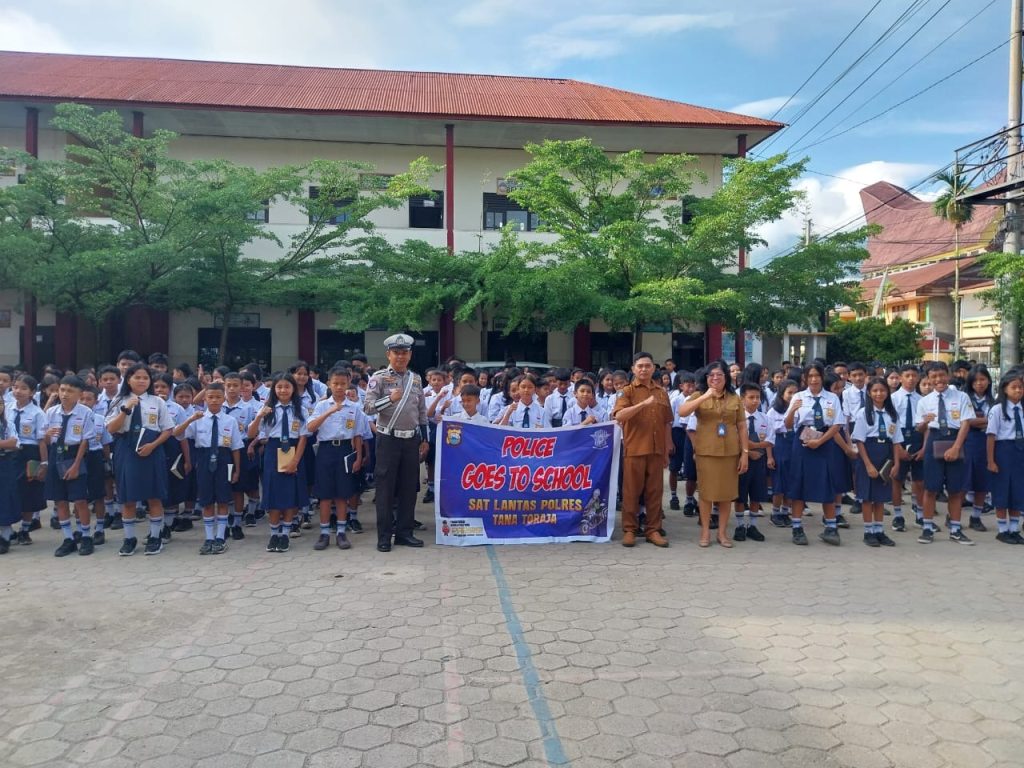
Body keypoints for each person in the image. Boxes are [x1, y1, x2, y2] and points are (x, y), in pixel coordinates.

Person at [363, 334, 429, 553]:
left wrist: (425, 438)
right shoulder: (379, 378)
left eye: (404, 353)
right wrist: (389, 399)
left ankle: (404, 533)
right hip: (388, 439)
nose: (400, 356)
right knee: (385, 489)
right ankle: (384, 536)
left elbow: (421, 411)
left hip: (411, 439)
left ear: (410, 355)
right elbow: (368, 408)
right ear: (388, 354)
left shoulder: (416, 379)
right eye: (396, 352)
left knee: (409, 488)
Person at [105, 364, 176, 556]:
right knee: (127, 497)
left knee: (154, 495)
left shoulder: (157, 402)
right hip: (126, 449)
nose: (142, 380)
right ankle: (129, 539)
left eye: (145, 377)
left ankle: (155, 537)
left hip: (152, 450)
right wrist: (125, 410)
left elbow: (168, 429)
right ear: (128, 380)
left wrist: (153, 446)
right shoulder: (119, 400)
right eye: (137, 377)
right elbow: (111, 429)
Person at [679, 360, 748, 548]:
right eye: (711, 375)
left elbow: (742, 426)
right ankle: (705, 533)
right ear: (706, 378)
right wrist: (704, 397)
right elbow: (682, 412)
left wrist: (745, 453)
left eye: (719, 375)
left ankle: (722, 533)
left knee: (726, 494)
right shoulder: (698, 394)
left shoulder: (735, 398)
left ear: (726, 377)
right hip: (706, 452)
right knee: (707, 494)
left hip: (730, 452)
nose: (715, 378)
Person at [613, 353, 673, 548]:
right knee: (631, 492)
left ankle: (653, 529)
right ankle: (630, 529)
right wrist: (642, 404)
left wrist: (666, 449)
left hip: (656, 450)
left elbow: (666, 422)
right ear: (633, 369)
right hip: (635, 449)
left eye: (647, 366)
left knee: (655, 492)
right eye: (640, 366)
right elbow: (620, 416)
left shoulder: (661, 392)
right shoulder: (627, 391)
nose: (644, 369)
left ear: (653, 369)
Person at [177, 382, 243, 555]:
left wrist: (236, 470)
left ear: (224, 398)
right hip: (204, 459)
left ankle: (220, 537)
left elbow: (236, 447)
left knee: (223, 498)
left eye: (218, 397)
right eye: (210, 397)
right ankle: (208, 538)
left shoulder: (230, 420)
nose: (214, 401)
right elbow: (177, 434)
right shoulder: (197, 419)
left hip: (226, 461)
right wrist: (190, 419)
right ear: (204, 399)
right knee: (206, 500)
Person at [784, 362, 844, 546]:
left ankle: (831, 528)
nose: (813, 379)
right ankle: (797, 528)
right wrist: (793, 410)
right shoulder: (799, 397)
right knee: (799, 484)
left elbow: (837, 424)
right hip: (802, 443)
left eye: (816, 375)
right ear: (804, 379)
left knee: (827, 483)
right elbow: (787, 425)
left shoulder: (832, 398)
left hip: (824, 443)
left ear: (822, 377)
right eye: (809, 376)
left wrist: (820, 440)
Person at [248, 373, 309, 553]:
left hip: (292, 450)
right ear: (274, 389)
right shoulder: (267, 408)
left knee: (290, 495)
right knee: (273, 494)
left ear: (293, 389)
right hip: (273, 452)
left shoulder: (300, 410)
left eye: (287, 387)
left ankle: (285, 534)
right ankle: (274, 533)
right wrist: (260, 415)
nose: (283, 390)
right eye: (279, 387)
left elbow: (303, 438)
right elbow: (252, 434)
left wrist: (295, 461)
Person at [915, 361, 975, 545]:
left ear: (948, 375)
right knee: (930, 488)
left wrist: (957, 447)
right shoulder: (924, 401)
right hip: (934, 440)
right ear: (928, 379)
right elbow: (919, 428)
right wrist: (925, 422)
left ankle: (956, 529)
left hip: (955, 439)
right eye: (933, 377)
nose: (938, 380)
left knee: (955, 490)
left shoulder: (961, 396)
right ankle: (927, 528)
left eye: (941, 375)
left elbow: (966, 423)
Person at [307, 366, 366, 551]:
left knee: (342, 494)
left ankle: (341, 532)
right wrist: (330, 411)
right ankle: (324, 533)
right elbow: (310, 428)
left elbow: (358, 434)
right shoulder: (322, 405)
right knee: (325, 495)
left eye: (343, 383)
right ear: (329, 384)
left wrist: (358, 458)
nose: (339, 387)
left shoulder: (355, 407)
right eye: (335, 383)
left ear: (348, 383)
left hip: (345, 451)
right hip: (325, 451)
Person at [44, 375, 96, 557]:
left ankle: (86, 536)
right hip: (56, 454)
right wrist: (48, 434)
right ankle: (68, 538)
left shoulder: (85, 413)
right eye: (62, 390)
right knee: (60, 500)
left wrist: (76, 465)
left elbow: (85, 441)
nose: (65, 394)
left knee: (80, 499)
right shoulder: (51, 412)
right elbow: (45, 438)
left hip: (75, 455)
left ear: (79, 394)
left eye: (70, 391)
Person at [852, 377, 901, 547]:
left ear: (887, 392)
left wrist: (896, 463)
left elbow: (896, 441)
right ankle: (868, 531)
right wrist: (868, 464)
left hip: (885, 455)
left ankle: (879, 530)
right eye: (875, 391)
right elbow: (859, 441)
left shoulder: (892, 414)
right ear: (869, 393)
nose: (879, 394)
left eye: (882, 390)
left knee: (880, 497)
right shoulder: (863, 413)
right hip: (869, 453)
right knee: (867, 497)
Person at [986, 370, 1024, 543]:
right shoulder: (997, 409)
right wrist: (991, 460)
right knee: (1003, 490)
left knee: (1018, 490)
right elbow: (991, 436)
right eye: (1014, 387)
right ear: (1005, 389)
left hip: (1020, 451)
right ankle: (1002, 529)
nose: (1018, 390)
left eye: (1021, 387)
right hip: (1003, 450)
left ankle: (1014, 529)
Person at [9, 375, 48, 542]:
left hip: (29, 453)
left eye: (23, 388)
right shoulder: (7, 408)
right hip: (10, 453)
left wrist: (44, 463)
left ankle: (25, 529)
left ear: (32, 392)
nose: (18, 391)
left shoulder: (37, 413)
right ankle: (7, 528)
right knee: (9, 491)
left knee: (28, 491)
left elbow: (41, 441)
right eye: (16, 387)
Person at [734, 383, 772, 543]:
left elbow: (769, 441)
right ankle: (740, 525)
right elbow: (735, 439)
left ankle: (753, 526)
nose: (755, 401)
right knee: (740, 495)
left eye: (757, 397)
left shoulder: (765, 418)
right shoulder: (736, 418)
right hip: (741, 461)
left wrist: (751, 445)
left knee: (756, 495)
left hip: (759, 462)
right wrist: (749, 449)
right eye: (751, 397)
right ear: (742, 399)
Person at [891, 364, 924, 533]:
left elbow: (927, 427)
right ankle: (897, 516)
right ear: (900, 378)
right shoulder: (893, 399)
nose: (911, 379)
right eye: (907, 375)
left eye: (914, 375)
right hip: (899, 437)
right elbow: (891, 424)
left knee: (919, 480)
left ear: (918, 378)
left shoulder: (922, 399)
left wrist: (924, 447)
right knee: (897, 479)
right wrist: (898, 448)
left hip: (918, 437)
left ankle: (920, 515)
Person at [962, 364, 994, 532]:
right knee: (964, 481)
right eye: (975, 381)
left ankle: (976, 517)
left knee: (982, 483)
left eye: (982, 380)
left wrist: (977, 421)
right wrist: (987, 421)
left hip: (986, 443)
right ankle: (952, 515)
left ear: (988, 381)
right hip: (968, 442)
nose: (979, 384)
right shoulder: (965, 398)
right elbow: (967, 421)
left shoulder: (993, 400)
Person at [768, 379, 799, 528]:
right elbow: (772, 431)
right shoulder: (774, 411)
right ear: (781, 394)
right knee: (779, 482)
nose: (792, 396)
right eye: (789, 393)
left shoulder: (801, 408)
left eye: (795, 393)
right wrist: (770, 455)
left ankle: (785, 512)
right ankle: (775, 513)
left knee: (791, 482)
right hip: (780, 446)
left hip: (795, 446)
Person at [0, 395, 19, 554]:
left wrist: (4, 444)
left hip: (4, 463)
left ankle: (5, 536)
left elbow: (14, 443)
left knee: (4, 498)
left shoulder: (7, 424)